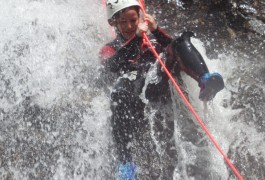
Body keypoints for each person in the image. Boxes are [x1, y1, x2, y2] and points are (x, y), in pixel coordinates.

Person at [99, 0, 224, 179]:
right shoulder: (110, 48)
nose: (128, 26)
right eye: (123, 22)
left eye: (133, 21)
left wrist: (156, 30)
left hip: (159, 85)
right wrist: (136, 38)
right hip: (136, 95)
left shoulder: (152, 39)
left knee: (180, 41)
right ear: (114, 23)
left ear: (140, 18)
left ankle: (205, 79)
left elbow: (175, 48)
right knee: (118, 92)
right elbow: (109, 67)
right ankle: (126, 164)